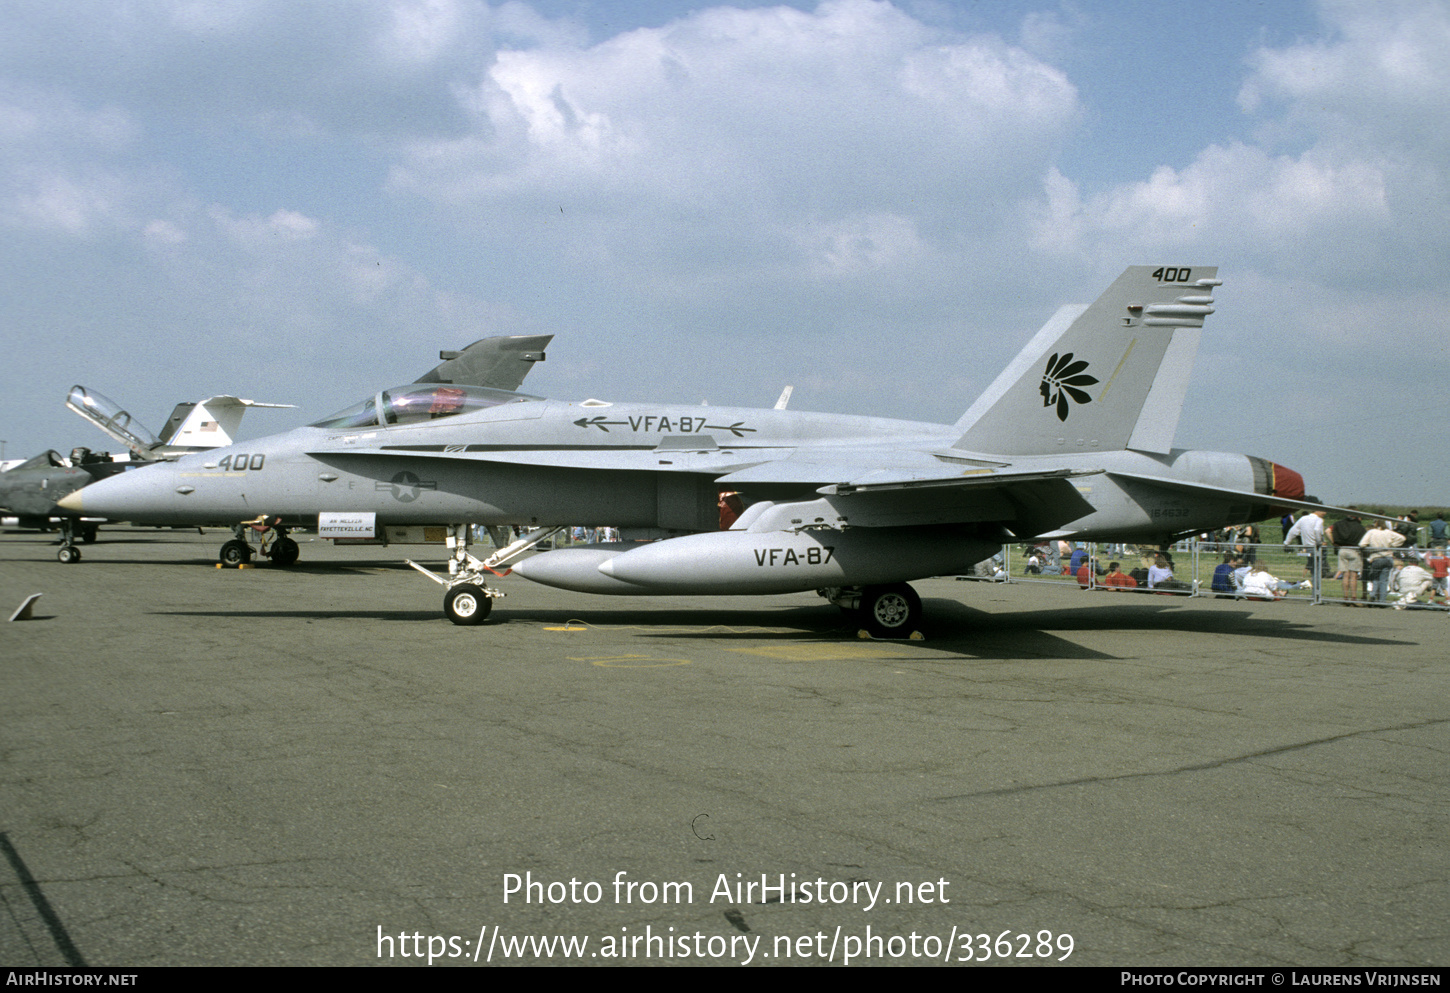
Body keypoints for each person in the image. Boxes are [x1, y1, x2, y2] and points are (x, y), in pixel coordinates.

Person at [1360, 522, 1407, 603]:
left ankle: (1373, 595)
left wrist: (1370, 548)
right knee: (1384, 580)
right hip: (1388, 557)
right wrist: (1393, 545)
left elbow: (1362, 544)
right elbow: (1402, 538)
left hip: (1376, 557)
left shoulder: (1371, 532)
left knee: (1375, 579)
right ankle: (1382, 600)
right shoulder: (1388, 532)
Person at [1328, 511, 1367, 604]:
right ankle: (1353, 597)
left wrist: (1333, 543)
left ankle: (1345, 597)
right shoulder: (1360, 527)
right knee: (1353, 575)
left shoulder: (1338, 524)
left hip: (1342, 549)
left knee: (1345, 574)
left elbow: (1327, 531)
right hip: (1354, 550)